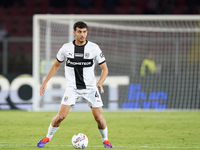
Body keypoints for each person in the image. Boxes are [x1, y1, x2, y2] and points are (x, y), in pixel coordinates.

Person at [37, 21, 114, 149]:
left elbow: (105, 69)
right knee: (60, 117)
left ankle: (106, 140)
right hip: (72, 88)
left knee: (99, 119)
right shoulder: (66, 48)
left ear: (87, 32)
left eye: (84, 32)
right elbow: (56, 65)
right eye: (79, 32)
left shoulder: (94, 48)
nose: (82, 35)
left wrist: (100, 83)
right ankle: (47, 137)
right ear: (74, 33)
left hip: (90, 89)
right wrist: (45, 82)